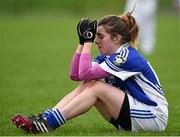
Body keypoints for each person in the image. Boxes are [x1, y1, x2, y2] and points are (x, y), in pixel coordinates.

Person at [11, 11, 168, 133]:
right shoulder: (108, 57)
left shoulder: (126, 56)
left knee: (97, 87)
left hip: (154, 116)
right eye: (95, 36)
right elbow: (76, 75)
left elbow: (85, 72)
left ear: (116, 38)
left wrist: (87, 43)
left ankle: (49, 122)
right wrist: (81, 43)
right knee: (90, 82)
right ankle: (45, 118)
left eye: (100, 36)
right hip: (133, 116)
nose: (96, 40)